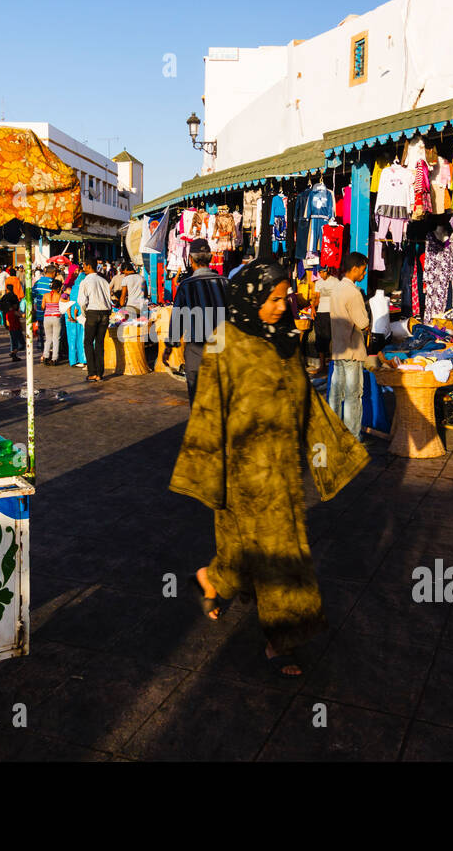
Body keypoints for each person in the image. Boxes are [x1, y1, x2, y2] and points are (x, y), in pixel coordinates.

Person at [170, 260, 370, 677]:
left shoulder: (285, 340)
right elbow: (207, 406)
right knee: (281, 555)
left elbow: (307, 402)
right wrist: (207, 472)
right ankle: (282, 639)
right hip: (243, 470)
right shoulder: (224, 341)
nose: (282, 307)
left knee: (245, 552)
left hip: (283, 469)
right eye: (273, 299)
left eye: (284, 298)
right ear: (249, 297)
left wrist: (333, 454)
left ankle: (211, 580)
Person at [169, 239, 228, 400]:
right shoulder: (225, 283)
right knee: (220, 398)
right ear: (210, 259)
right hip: (223, 349)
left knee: (198, 400)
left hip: (197, 350)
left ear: (190, 260)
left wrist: (170, 346)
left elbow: (177, 320)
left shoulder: (186, 285)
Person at [328, 252, 371, 438]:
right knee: (353, 395)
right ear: (354, 269)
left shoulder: (336, 289)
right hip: (352, 351)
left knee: (336, 393)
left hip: (338, 349)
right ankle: (352, 435)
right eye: (363, 271)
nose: (364, 275)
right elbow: (363, 323)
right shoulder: (353, 292)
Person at [77, 259, 113, 382]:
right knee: (99, 343)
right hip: (105, 313)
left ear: (88, 266)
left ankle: (92, 372)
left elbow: (81, 301)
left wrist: (84, 313)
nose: (83, 268)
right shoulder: (104, 281)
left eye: (84, 266)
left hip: (92, 312)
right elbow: (109, 299)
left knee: (88, 342)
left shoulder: (85, 281)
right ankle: (99, 373)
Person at [311, 264, 337, 376]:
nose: (321, 274)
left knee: (329, 338)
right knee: (320, 338)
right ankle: (322, 366)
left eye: (323, 272)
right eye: (320, 272)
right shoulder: (318, 283)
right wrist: (313, 308)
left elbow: (338, 297)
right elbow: (317, 298)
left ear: (328, 270)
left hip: (330, 313)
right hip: (320, 313)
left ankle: (332, 366)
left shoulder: (335, 281)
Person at [64, 268, 87, 368]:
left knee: (72, 338)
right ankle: (82, 359)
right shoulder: (83, 289)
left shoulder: (72, 289)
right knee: (81, 338)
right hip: (79, 315)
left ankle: (73, 360)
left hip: (70, 316)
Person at [0, 285, 24, 361]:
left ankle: (13, 353)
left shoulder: (4, 297)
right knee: (18, 341)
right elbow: (20, 313)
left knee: (13, 339)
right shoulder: (14, 297)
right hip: (15, 323)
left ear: (7, 289)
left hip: (8, 320)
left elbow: (0, 305)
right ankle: (14, 353)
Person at [41, 279, 64, 365]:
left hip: (46, 318)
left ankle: (45, 356)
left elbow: (42, 307)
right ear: (58, 288)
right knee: (56, 339)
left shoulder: (45, 295)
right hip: (56, 318)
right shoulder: (59, 296)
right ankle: (54, 358)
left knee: (48, 339)